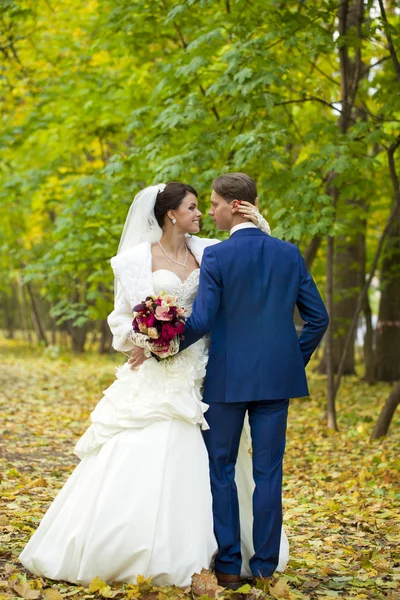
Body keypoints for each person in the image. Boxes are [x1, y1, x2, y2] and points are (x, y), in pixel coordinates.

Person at [19, 182, 288, 588]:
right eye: (194, 208)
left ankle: (224, 554)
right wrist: (147, 338)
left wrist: (256, 219)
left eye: (204, 207)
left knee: (218, 462)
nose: (200, 214)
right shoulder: (133, 261)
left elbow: (253, 256)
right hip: (155, 371)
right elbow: (120, 318)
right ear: (171, 215)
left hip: (202, 369)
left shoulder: (210, 250)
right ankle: (129, 546)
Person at [146, 173, 329, 587]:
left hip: (226, 380)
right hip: (276, 382)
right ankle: (263, 568)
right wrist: (290, 362)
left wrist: (166, 345)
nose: (210, 211)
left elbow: (205, 318)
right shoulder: (288, 254)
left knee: (221, 470)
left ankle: (228, 565)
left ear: (235, 206)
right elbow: (318, 318)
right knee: (268, 473)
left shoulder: (218, 257)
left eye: (213, 204)